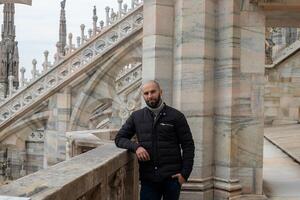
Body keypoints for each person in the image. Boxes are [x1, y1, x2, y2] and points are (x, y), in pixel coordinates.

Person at [115, 80, 195, 200]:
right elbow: (119, 138)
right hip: (149, 180)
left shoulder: (176, 116)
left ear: (160, 92)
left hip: (172, 179)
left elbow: (188, 145)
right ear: (143, 96)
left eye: (153, 92)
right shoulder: (136, 117)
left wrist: (185, 174)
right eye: (146, 93)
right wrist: (136, 147)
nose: (150, 96)